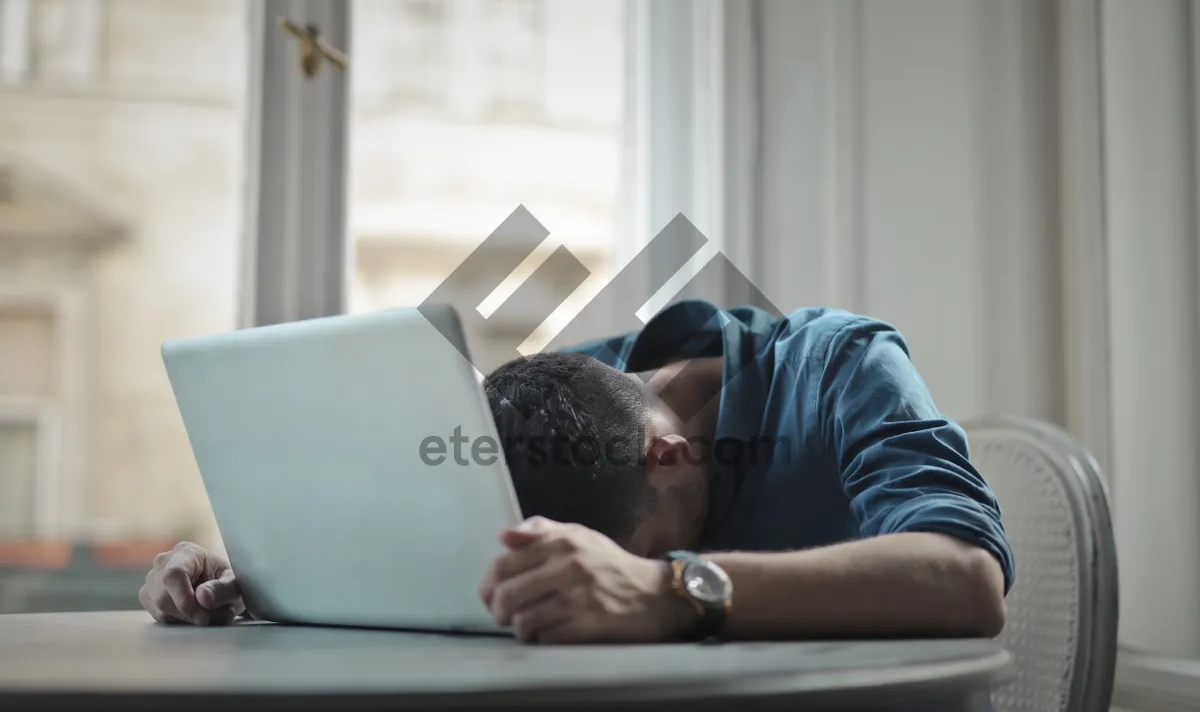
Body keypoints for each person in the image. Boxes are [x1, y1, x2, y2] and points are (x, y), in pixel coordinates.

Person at [140, 300, 1014, 643]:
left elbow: (969, 578)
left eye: (670, 536)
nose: (677, 548)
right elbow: (404, 510)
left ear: (666, 453)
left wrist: (665, 584)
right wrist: (239, 564)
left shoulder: (844, 366)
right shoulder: (573, 388)